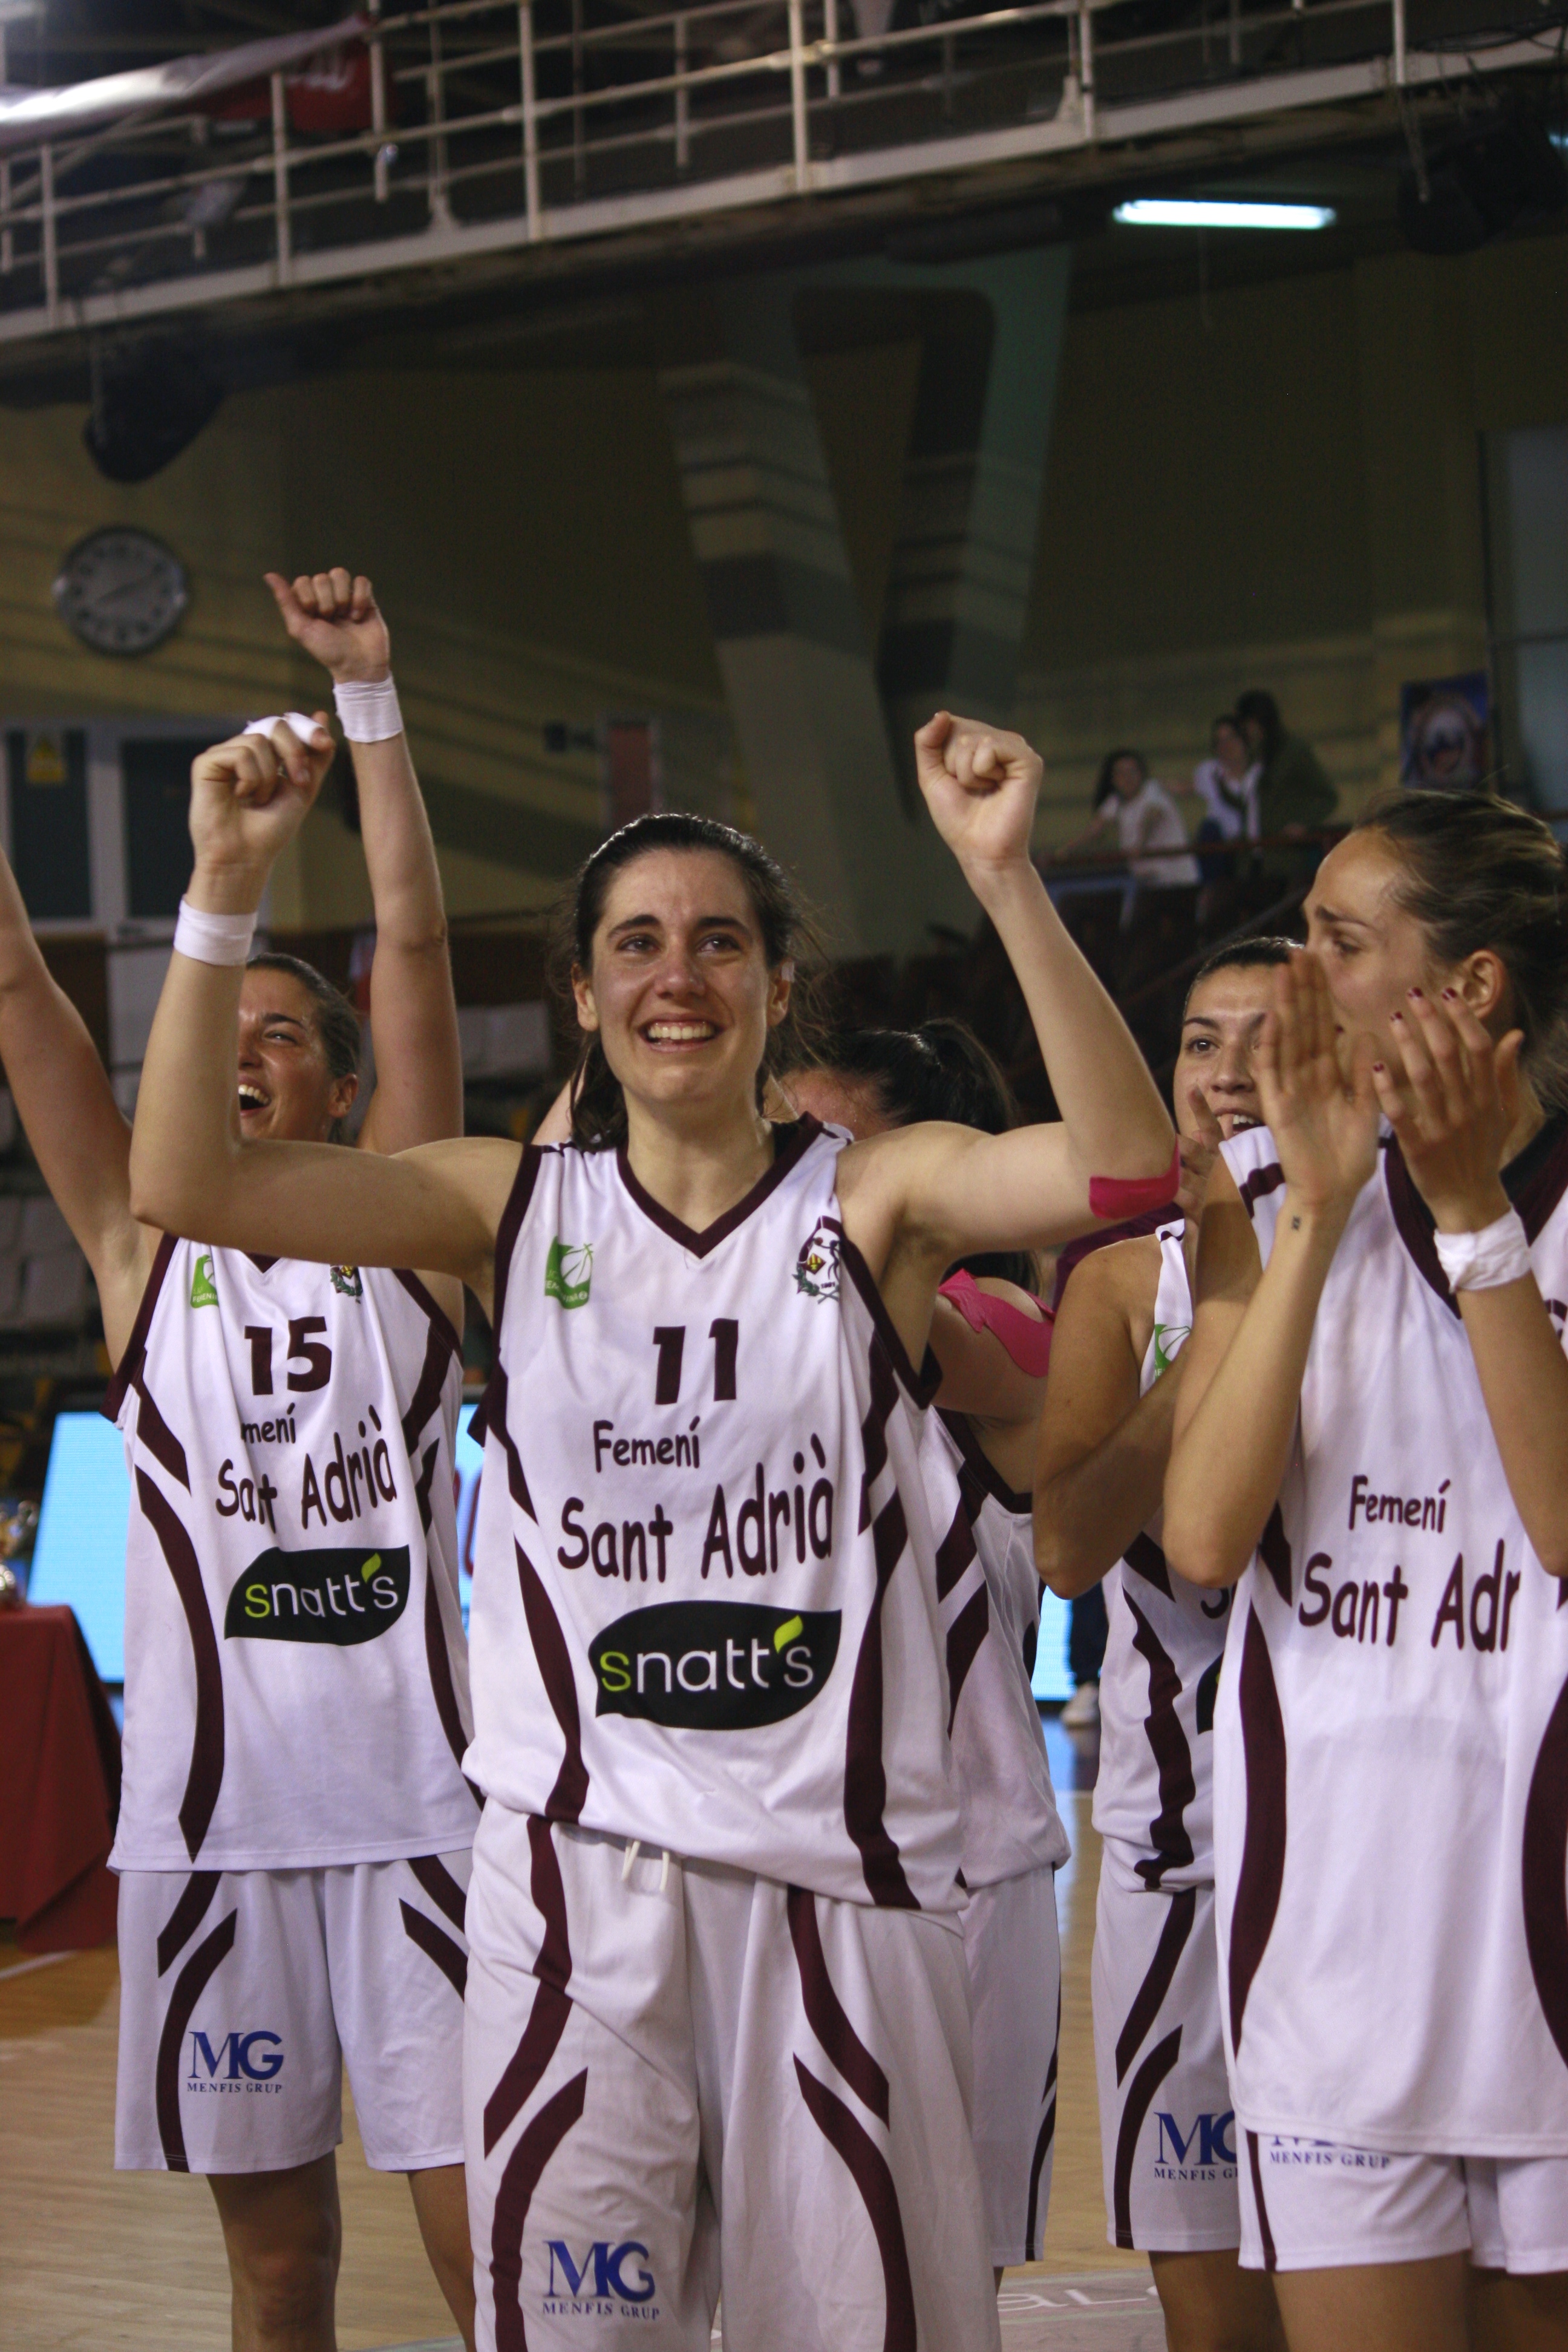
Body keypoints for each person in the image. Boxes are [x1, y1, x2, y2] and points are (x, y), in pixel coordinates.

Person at [126, 707, 1176, 2351]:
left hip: (843, 1889)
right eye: (636, 944)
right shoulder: (501, 1202)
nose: (676, 974)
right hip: (574, 1885)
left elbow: (1127, 1171)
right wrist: (220, 893)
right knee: (576, 2331)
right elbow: (188, 1181)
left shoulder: (879, 1197)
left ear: (775, 986)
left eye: (718, 943)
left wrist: (1007, 875)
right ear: (583, 995)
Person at [0, 568, 478, 2352]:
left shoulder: (415, 1234)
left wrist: (370, 702)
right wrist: (221, 881)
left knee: (484, 2243)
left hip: (431, 1825)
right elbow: (15, 983)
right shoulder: (141, 1255)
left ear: (346, 1095)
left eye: (295, 1032)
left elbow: (415, 954)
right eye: (233, 1029)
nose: (256, 1050)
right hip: (215, 1841)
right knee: (277, 2272)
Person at [1163, 792, 1568, 2351]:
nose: (1297, 980)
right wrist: (1324, 1213)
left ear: (1468, 990)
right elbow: (1203, 1539)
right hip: (1332, 1962)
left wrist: (1468, 1212)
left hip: (1538, 1951)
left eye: (1338, 940)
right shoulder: (1269, 1203)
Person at [1034, 940, 1295, 2352]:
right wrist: (1224, 1324)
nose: (1226, 1070)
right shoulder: (1126, 1283)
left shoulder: (1402, 1265)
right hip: (1174, 1858)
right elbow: (1066, 1545)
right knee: (1214, 2315)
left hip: (1356, 1854)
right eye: (1199, 1039)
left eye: (1264, 1035)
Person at [783, 1021, 1067, 2288]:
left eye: (829, 1144)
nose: (796, 1171)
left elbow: (934, 1345)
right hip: (793, 1858)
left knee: (953, 2278)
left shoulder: (989, 1315)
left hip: (971, 1873)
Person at [1054, 750, 1201, 927]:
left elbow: (1151, 816)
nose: (1127, 778)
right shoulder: (1116, 802)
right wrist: (1068, 850)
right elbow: (1095, 830)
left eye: (1132, 771)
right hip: (1148, 883)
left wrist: (1140, 845)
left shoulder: (1152, 790)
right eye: (1121, 773)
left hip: (1177, 881)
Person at [1233, 693, 1336, 876]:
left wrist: (1303, 823)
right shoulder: (1255, 756)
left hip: (1283, 858)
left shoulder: (1293, 751)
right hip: (1253, 859)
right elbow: (1251, 804)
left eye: (1247, 724)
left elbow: (1327, 796)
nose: (1245, 730)